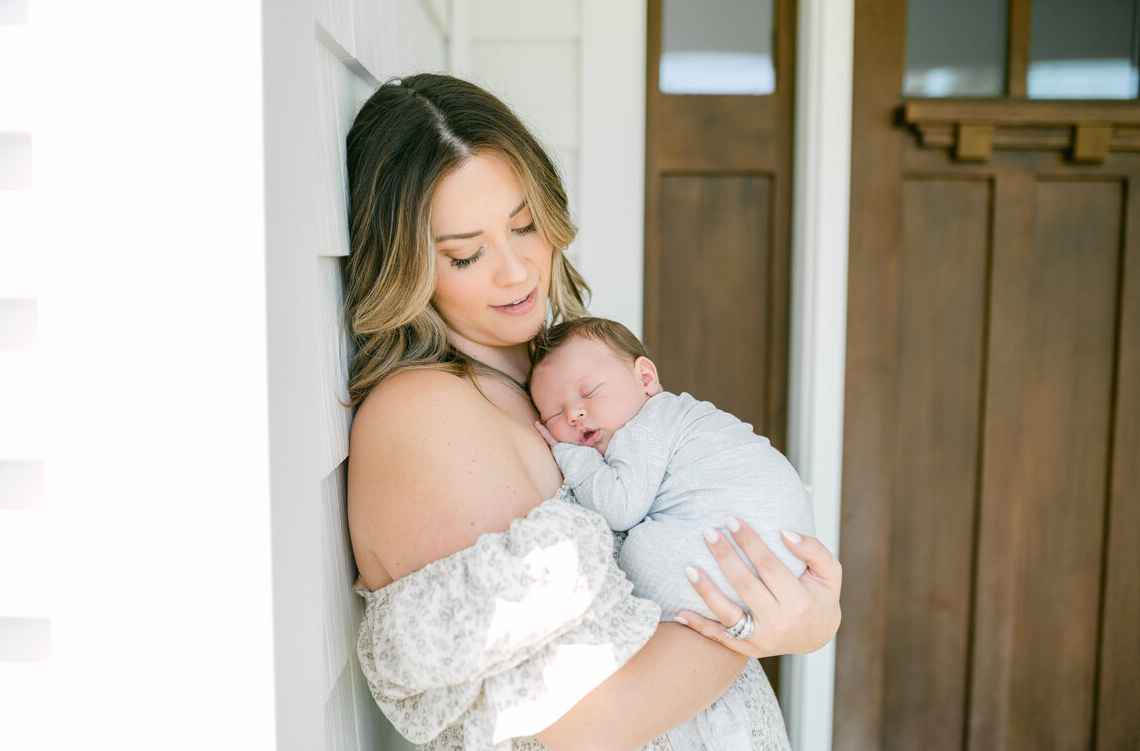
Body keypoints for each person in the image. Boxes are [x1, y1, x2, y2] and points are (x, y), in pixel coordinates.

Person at [344, 72, 842, 751]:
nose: (518, 272)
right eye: (466, 254)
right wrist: (753, 619)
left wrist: (809, 620)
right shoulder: (424, 416)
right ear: (404, 264)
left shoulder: (549, 378)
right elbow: (581, 721)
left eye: (525, 226)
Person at [528, 316, 817, 750]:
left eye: (589, 392)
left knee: (638, 548)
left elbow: (619, 506)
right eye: (553, 412)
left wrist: (568, 453)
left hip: (730, 556)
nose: (574, 412)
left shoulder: (648, 423)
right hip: (766, 561)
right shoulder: (682, 419)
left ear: (646, 378)